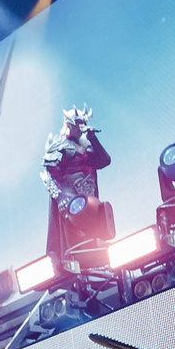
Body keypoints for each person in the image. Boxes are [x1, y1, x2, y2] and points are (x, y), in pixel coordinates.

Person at [41, 107, 112, 268]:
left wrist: (93, 139)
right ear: (69, 124)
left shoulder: (86, 143)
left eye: (83, 124)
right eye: (78, 124)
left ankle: (99, 268)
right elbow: (50, 177)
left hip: (90, 198)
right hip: (71, 200)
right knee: (74, 242)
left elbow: (104, 161)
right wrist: (62, 198)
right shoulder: (58, 145)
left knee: (95, 235)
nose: (82, 127)